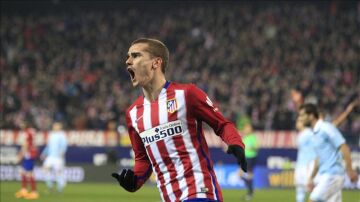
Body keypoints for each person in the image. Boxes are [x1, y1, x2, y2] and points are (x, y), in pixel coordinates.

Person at [111, 38, 247, 202]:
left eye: (135, 55)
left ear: (156, 63)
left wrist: (236, 142)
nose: (128, 61)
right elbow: (143, 158)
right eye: (128, 56)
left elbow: (222, 124)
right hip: (169, 196)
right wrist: (134, 181)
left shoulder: (187, 94)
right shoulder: (133, 113)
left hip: (199, 190)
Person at [298, 103, 358, 202]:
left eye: (302, 115)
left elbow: (344, 147)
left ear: (311, 116)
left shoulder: (325, 128)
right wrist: (311, 178)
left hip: (332, 175)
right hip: (327, 175)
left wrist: (350, 170)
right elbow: (319, 158)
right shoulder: (314, 133)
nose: (300, 118)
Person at [41, 121, 68, 193]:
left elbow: (64, 146)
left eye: (57, 126)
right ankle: (50, 186)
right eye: (54, 126)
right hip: (50, 156)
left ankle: (60, 189)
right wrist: (44, 153)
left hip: (58, 157)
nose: (55, 127)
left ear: (60, 127)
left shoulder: (62, 135)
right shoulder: (51, 134)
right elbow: (48, 146)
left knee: (58, 173)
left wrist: (62, 154)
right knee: (44, 169)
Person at [294, 117, 316, 202]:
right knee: (299, 189)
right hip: (300, 165)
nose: (297, 123)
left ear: (303, 123)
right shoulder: (301, 134)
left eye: (299, 121)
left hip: (308, 165)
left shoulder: (309, 133)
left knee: (311, 188)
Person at [14, 125, 39, 199]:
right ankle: (24, 190)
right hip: (31, 153)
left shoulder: (27, 132)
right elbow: (33, 143)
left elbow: (26, 144)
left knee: (29, 173)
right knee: (23, 172)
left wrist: (20, 155)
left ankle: (34, 192)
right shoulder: (32, 130)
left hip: (29, 154)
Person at [238, 122, 258, 201]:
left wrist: (251, 147)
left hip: (251, 158)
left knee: (249, 175)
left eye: (248, 128)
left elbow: (256, 147)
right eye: (245, 128)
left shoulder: (253, 137)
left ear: (251, 129)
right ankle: (251, 189)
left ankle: (250, 193)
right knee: (240, 175)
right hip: (245, 158)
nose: (246, 129)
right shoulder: (244, 137)